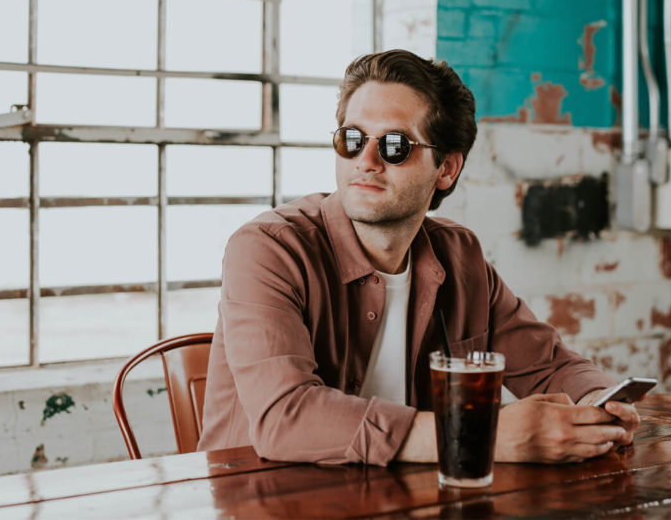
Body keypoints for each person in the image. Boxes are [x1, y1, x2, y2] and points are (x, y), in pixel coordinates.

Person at [196, 49, 640, 466]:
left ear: (446, 168)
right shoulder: (268, 248)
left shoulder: (459, 256)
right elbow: (286, 418)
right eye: (352, 140)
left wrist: (600, 406)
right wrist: (481, 435)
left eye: (394, 146)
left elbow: (550, 366)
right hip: (264, 501)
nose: (366, 161)